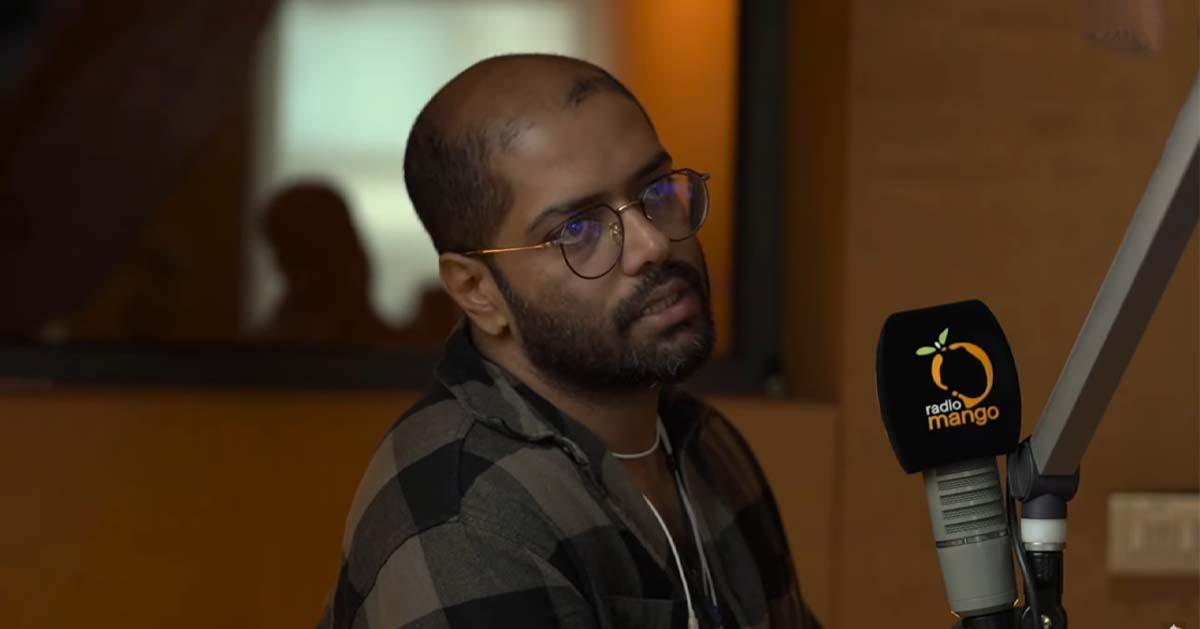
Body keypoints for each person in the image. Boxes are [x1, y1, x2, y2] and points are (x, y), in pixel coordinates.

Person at [319, 53, 821, 629]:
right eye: (578, 229)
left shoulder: (701, 442)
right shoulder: (467, 518)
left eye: (657, 189)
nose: (652, 245)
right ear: (478, 291)